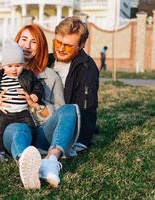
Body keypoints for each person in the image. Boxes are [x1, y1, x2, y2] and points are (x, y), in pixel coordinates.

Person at [0, 23, 79, 189]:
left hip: (41, 132)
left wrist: (36, 106)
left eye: (34, 42)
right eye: (24, 39)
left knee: (71, 109)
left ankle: (50, 162)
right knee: (18, 128)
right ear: (17, 42)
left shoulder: (51, 76)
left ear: (41, 47)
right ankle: (27, 163)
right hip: (12, 129)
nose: (27, 46)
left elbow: (60, 113)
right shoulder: (2, 73)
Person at [47, 16, 100, 150]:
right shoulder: (46, 61)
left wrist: (81, 141)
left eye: (68, 46)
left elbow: (87, 107)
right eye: (58, 43)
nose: (61, 49)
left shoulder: (87, 68)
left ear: (81, 45)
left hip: (64, 127)